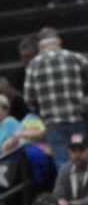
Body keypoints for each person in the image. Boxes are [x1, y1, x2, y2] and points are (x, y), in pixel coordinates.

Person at [23, 28, 88, 169]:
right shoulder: (76, 57)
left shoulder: (33, 66)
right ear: (58, 41)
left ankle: (69, 191)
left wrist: (42, 111)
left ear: (40, 46)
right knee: (84, 161)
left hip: (53, 124)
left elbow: (29, 98)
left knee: (63, 165)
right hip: (77, 119)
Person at [54, 131, 88, 205]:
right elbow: (58, 194)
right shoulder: (65, 169)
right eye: (74, 151)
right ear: (69, 152)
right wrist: (60, 202)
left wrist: (74, 204)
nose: (77, 154)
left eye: (81, 150)